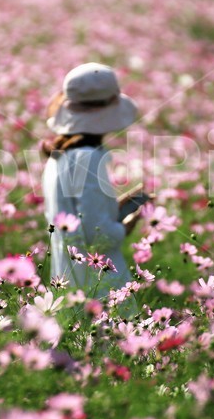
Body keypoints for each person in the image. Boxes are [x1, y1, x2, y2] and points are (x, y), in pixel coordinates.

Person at [41, 62, 147, 306]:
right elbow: (96, 234)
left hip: (68, 277)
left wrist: (115, 207)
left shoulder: (59, 156)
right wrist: (126, 224)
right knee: (108, 339)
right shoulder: (88, 156)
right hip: (99, 285)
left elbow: (74, 214)